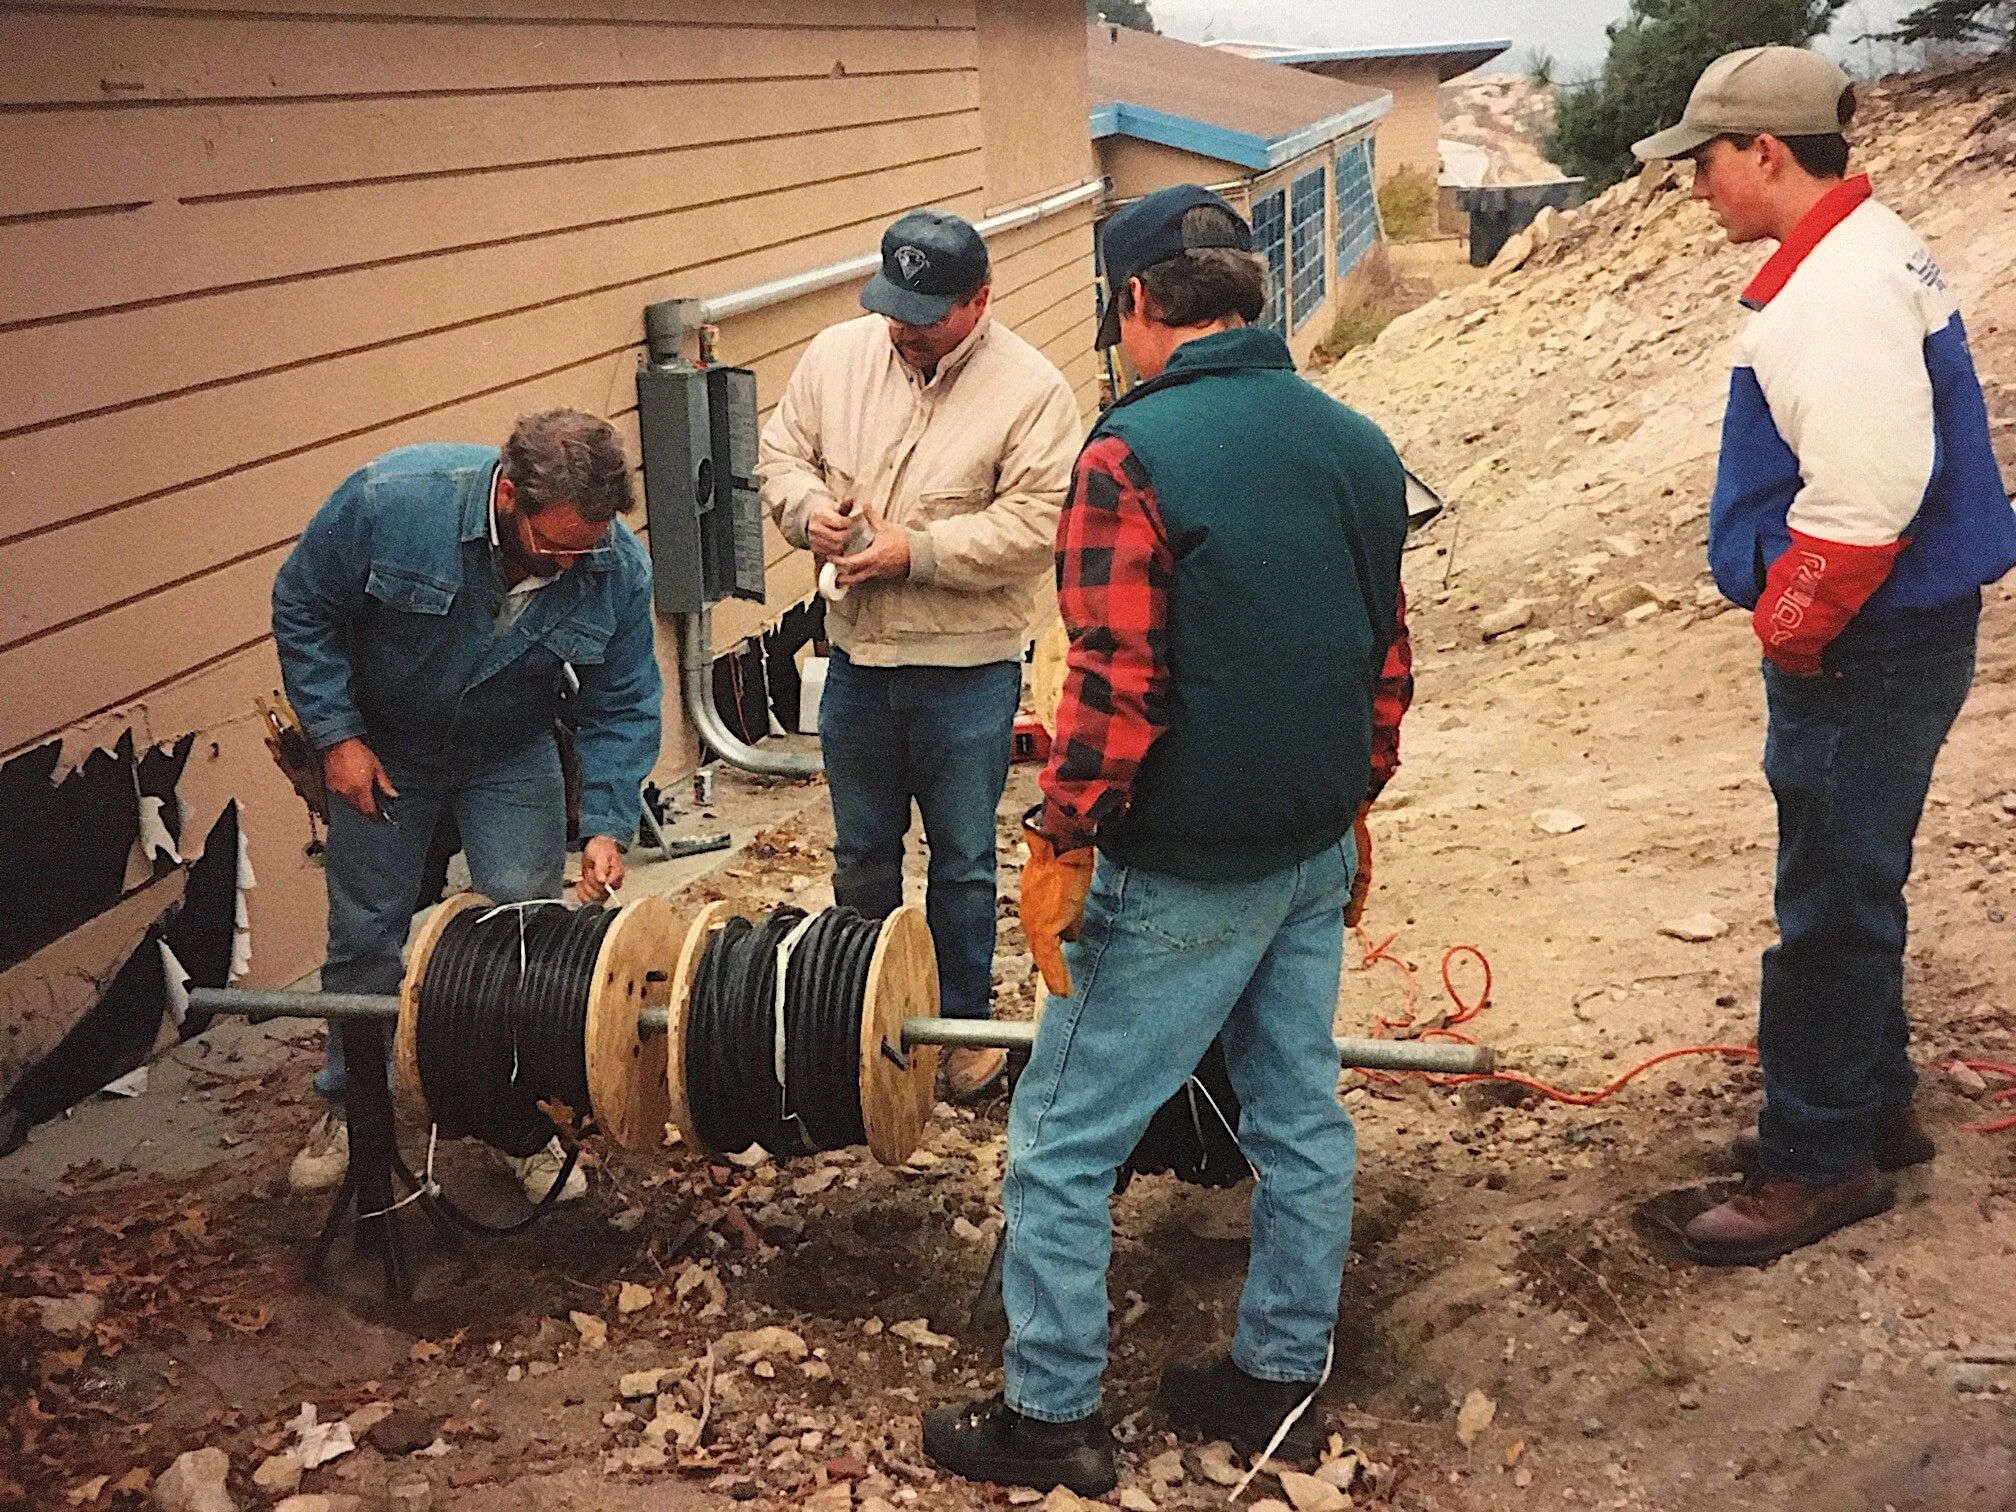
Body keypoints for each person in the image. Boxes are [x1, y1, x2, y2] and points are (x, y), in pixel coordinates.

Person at [922, 186, 1411, 1494]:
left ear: (1134, 306)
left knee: (1061, 1139)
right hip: (1312, 848)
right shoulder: (1360, 447)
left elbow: (1122, 686)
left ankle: (1052, 1416)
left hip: (1186, 868)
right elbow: (1384, 657)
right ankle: (1277, 1386)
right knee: (1300, 1116)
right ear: (1249, 296)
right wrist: (1346, 804)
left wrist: (1066, 831)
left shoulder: (1126, 457)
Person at [1632, 48, 2016, 1264]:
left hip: (1868, 638)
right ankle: (1873, 1100)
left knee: (1830, 901)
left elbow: (1867, 496)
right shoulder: (1860, 249)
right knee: (1853, 872)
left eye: (1706, 159)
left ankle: (1818, 1156)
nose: (1695, 183)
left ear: (1766, 153)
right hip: (1896, 631)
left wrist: (1791, 628)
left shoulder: (1837, 291)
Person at [272, 410, 663, 1202]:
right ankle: (354, 1107)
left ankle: (515, 1121)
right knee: (365, 933)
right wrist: (337, 736)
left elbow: (623, 703)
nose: (571, 565)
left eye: (586, 548)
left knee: (524, 931)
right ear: (508, 496)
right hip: (385, 746)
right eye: (556, 547)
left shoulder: (615, 564)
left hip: (508, 749)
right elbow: (302, 606)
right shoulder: (393, 502)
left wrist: (607, 823)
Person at [757, 209, 1082, 1100]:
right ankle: (853, 1018)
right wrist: (803, 510)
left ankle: (963, 1032)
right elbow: (781, 455)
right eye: (892, 306)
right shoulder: (836, 356)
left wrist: (919, 552)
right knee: (861, 853)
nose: (901, 327)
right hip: (858, 661)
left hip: (967, 670)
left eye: (925, 313)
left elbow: (1038, 525)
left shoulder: (1032, 390)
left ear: (980, 300)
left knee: (964, 860)